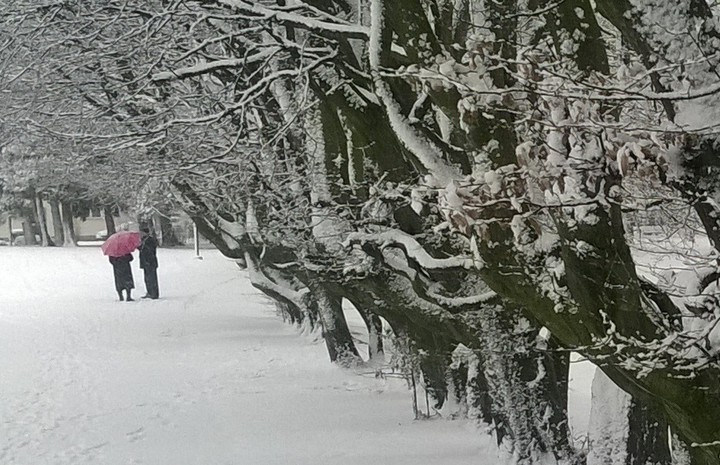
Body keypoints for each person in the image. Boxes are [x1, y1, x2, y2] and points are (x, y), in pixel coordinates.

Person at [139, 227, 159, 299]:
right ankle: (149, 291)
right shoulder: (143, 240)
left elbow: (150, 251)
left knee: (152, 278)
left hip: (150, 262)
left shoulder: (150, 240)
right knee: (147, 278)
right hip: (145, 262)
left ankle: (154, 293)